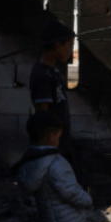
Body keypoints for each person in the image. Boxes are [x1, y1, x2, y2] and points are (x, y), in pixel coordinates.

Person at [30, 20, 75, 156]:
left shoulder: (54, 71)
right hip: (52, 148)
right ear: (57, 45)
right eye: (69, 45)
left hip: (61, 145)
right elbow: (43, 117)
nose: (71, 51)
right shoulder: (43, 76)